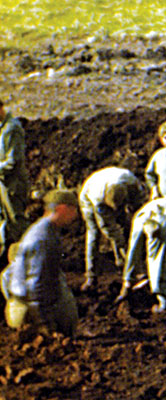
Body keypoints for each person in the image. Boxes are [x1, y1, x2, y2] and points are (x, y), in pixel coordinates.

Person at [2, 189, 79, 337]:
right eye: (73, 210)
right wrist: (44, 323)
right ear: (62, 208)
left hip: (19, 306)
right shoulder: (43, 237)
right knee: (65, 301)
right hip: (29, 311)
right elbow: (35, 283)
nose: (75, 216)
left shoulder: (42, 229)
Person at [78, 166, 144, 291]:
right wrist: (122, 244)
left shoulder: (131, 182)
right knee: (94, 234)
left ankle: (125, 264)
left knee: (126, 226)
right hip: (89, 198)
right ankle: (91, 276)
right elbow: (108, 228)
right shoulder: (98, 199)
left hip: (113, 185)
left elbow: (139, 204)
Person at [0, 99, 30, 260]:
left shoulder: (12, 129)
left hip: (13, 184)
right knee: (6, 221)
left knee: (17, 221)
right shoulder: (2, 129)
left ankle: (29, 254)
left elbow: (13, 161)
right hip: (4, 182)